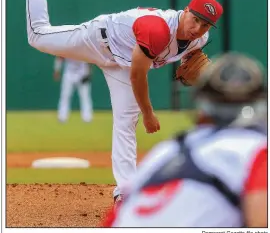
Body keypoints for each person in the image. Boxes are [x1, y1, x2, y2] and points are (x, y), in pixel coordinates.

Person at [6, 0, 223, 205]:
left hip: (123, 63)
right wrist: (149, 113)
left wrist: (189, 59)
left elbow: (179, 54)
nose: (198, 27)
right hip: (98, 41)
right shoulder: (158, 30)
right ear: (185, 11)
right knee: (38, 36)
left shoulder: (200, 38)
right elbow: (137, 76)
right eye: (195, 19)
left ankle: (126, 190)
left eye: (205, 24)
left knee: (125, 123)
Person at [103, 53, 267, 227]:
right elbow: (260, 220)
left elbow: (115, 219)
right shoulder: (254, 150)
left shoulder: (165, 151)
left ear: (200, 107)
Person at [53, 57, 93, 123]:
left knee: (85, 96)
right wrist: (57, 70)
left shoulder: (83, 47)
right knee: (65, 96)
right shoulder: (67, 47)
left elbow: (90, 60)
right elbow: (60, 57)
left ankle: (87, 117)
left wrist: (88, 73)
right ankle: (62, 116)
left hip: (82, 74)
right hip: (69, 74)